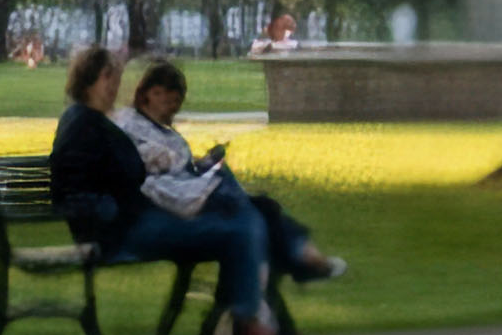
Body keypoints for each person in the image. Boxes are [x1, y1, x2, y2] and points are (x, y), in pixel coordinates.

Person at [48, 46, 295, 335]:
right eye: (108, 77)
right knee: (239, 229)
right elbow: (70, 190)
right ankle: (235, 331)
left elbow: (124, 175)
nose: (114, 85)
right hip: (121, 231)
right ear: (88, 80)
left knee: (244, 221)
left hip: (136, 219)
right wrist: (108, 210)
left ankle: (238, 326)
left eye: (116, 77)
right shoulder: (82, 125)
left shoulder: (95, 123)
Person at [119, 60, 346, 285]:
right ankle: (301, 261)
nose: (175, 109)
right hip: (173, 203)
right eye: (172, 101)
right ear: (154, 93)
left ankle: (293, 264)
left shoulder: (162, 129)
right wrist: (187, 164)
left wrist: (204, 162)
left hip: (187, 194)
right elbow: (149, 162)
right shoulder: (131, 123)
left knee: (260, 210)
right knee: (261, 212)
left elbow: (179, 166)